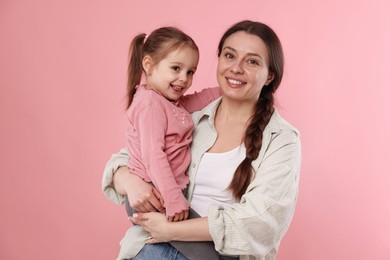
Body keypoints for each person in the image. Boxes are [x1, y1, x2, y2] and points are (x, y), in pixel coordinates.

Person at [102, 20, 301, 260]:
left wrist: (172, 230)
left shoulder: (281, 140)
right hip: (151, 244)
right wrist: (130, 182)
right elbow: (129, 157)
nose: (236, 68)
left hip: (208, 248)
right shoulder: (186, 115)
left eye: (251, 61)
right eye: (229, 56)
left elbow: (259, 223)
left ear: (269, 76)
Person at [124, 26, 221, 222]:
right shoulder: (150, 104)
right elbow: (153, 155)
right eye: (176, 68)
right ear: (149, 65)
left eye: (191, 71)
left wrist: (229, 88)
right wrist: (173, 198)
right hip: (154, 195)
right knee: (203, 249)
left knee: (202, 244)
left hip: (167, 191)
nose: (184, 78)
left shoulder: (170, 101)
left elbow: (201, 98)